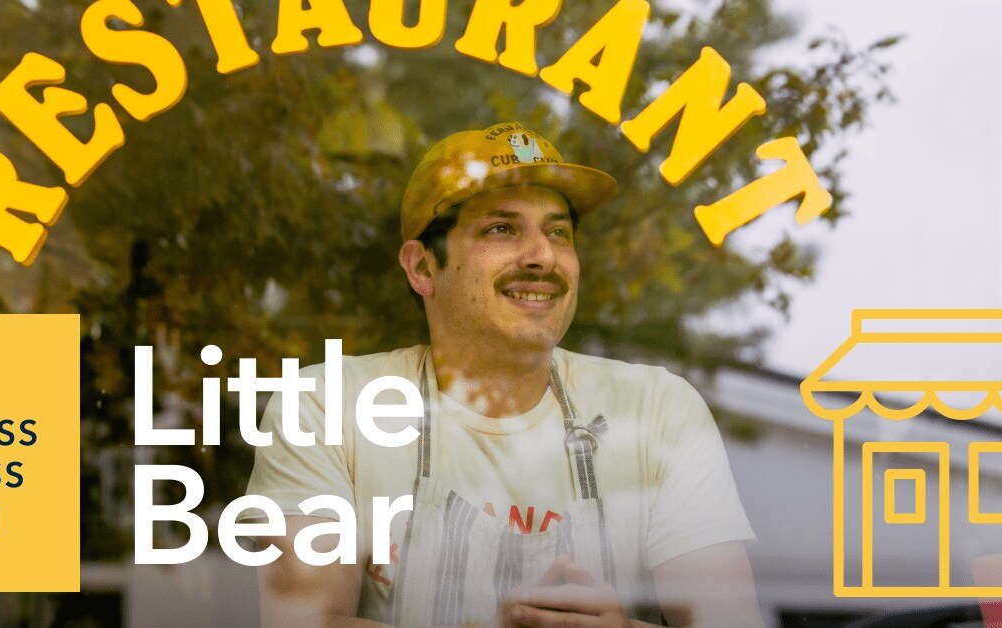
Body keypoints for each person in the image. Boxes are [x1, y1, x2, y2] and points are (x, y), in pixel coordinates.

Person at [245, 122, 764, 627]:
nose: (542, 256)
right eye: (502, 228)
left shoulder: (657, 410)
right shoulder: (325, 405)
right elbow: (305, 620)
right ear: (422, 268)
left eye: (558, 232)